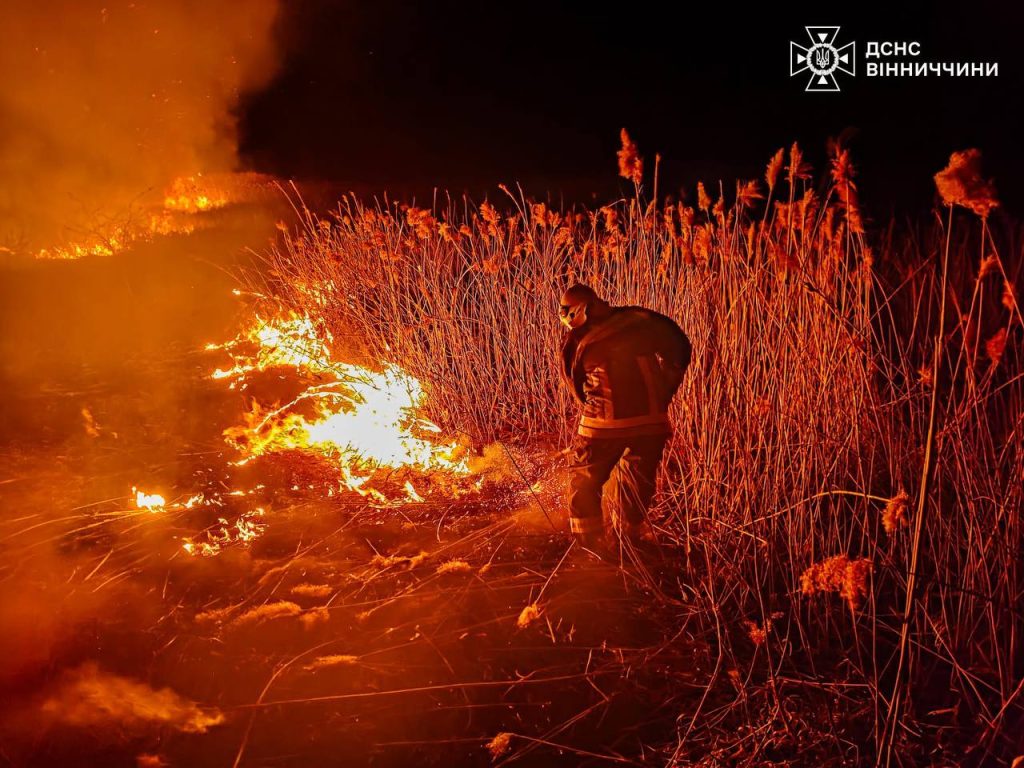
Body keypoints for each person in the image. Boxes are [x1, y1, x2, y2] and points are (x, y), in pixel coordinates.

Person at [558, 284, 692, 553]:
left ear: (583, 309)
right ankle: (630, 541)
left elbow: (574, 382)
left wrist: (596, 407)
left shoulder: (578, 339)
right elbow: (680, 349)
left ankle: (591, 548)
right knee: (636, 479)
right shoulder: (640, 319)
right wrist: (663, 390)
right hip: (652, 422)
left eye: (567, 312)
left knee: (585, 479)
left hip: (603, 424)